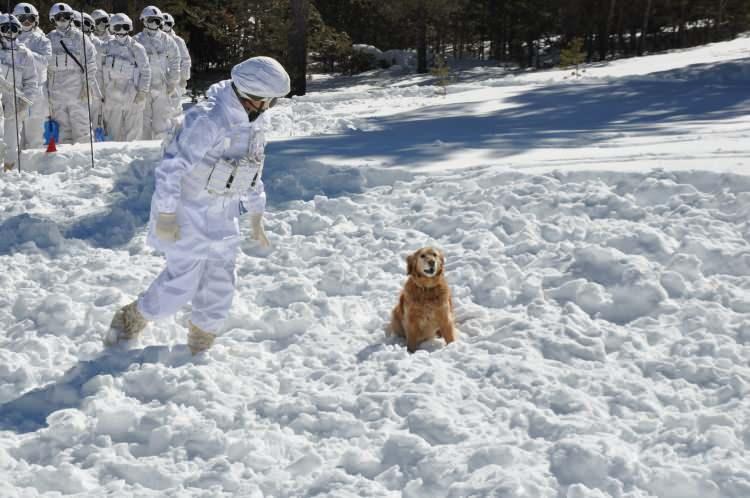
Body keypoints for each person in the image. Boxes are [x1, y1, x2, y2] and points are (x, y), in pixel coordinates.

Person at [107, 56, 290, 355]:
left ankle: (200, 342)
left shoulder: (256, 122)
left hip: (224, 211)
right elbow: (171, 169)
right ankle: (131, 319)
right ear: (251, 95)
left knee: (221, 282)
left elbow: (252, 168)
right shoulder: (208, 119)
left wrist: (256, 212)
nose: (270, 107)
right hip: (186, 211)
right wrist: (166, 214)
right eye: (268, 100)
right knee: (182, 283)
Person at [46, 2, 99, 144]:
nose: (62, 20)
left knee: (83, 131)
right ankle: (67, 164)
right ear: (53, 19)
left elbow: (91, 63)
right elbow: (44, 69)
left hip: (77, 93)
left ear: (71, 18)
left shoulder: (81, 38)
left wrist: (87, 85)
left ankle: (86, 162)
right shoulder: (48, 39)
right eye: (59, 17)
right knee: (63, 133)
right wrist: (47, 94)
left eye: (66, 17)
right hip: (57, 95)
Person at [99, 13, 150, 141]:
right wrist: (100, 92)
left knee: (134, 133)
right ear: (111, 28)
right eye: (117, 27)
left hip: (132, 93)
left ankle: (134, 158)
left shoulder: (137, 48)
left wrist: (142, 92)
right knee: (113, 132)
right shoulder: (105, 47)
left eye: (125, 27)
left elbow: (145, 71)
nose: (121, 31)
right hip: (112, 93)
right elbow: (98, 70)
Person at [133, 5, 179, 140]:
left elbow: (175, 61)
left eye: (157, 21)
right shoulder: (137, 40)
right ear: (144, 20)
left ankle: (161, 151)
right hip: (143, 87)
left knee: (162, 122)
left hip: (162, 86)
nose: (154, 24)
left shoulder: (167, 40)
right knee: (143, 122)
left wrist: (173, 81)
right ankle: (144, 151)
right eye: (151, 20)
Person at [0, 14, 37, 172]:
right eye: (5, 28)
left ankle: (10, 171)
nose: (9, 32)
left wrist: (25, 101)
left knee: (12, 141)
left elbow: (31, 81)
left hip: (15, 103)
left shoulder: (25, 54)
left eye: (13, 29)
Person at [13, 2, 50, 148]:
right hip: (14, 90)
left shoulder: (42, 40)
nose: (27, 22)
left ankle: (35, 167)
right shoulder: (7, 40)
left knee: (35, 137)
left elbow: (45, 61)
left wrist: (27, 54)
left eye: (30, 18)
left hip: (36, 92)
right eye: (22, 18)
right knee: (14, 136)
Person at [160, 12, 189, 119]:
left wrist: (184, 78)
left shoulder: (178, 41)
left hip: (175, 78)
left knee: (175, 106)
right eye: (163, 23)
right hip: (160, 78)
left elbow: (186, 60)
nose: (165, 26)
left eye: (168, 23)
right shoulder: (156, 40)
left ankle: (175, 129)